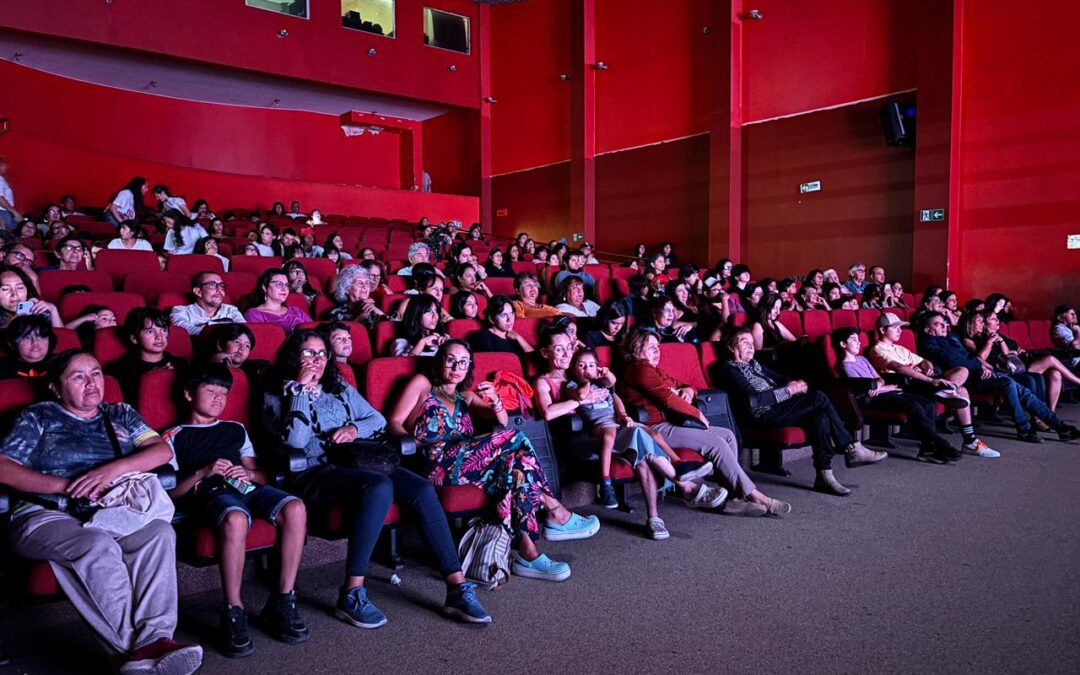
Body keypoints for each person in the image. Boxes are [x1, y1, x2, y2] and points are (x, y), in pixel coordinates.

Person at [264, 331, 490, 627]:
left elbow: (378, 421)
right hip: (314, 471)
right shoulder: (277, 392)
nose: (316, 361)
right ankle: (351, 592)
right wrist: (301, 391)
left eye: (322, 354)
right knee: (379, 486)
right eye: (308, 353)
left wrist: (353, 430)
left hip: (358, 460)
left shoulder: (339, 386)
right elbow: (296, 440)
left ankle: (457, 586)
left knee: (420, 488)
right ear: (295, 358)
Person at [0, 350, 203, 673]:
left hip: (112, 510)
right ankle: (136, 652)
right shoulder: (38, 416)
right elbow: (3, 467)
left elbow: (162, 450)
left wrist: (111, 472)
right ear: (56, 388)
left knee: (160, 532)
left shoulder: (119, 412)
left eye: (96, 373)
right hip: (44, 514)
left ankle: (155, 638)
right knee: (96, 544)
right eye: (78, 376)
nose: (92, 383)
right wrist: (64, 486)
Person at [388, 339, 598, 581]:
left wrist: (496, 400)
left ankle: (528, 553)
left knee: (516, 467)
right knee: (514, 439)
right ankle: (555, 511)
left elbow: (500, 420)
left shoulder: (464, 396)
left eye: (464, 362)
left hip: (468, 463)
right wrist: (411, 443)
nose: (457, 366)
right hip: (436, 462)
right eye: (451, 360)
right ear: (440, 362)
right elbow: (394, 421)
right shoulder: (422, 384)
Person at [166, 365, 309, 657]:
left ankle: (283, 599)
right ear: (188, 395)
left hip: (244, 487)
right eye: (211, 392)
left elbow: (258, 472)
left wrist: (249, 474)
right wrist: (202, 472)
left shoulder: (235, 429)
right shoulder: (174, 435)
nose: (220, 399)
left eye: (224, 393)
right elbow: (170, 492)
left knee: (295, 507)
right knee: (234, 518)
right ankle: (234, 610)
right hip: (211, 493)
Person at [537, 341, 724, 538]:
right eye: (582, 365)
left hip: (615, 426)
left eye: (591, 365)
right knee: (640, 436)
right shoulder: (568, 384)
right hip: (590, 433)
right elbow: (560, 408)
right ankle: (685, 485)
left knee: (642, 453)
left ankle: (655, 517)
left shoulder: (595, 379)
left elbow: (612, 389)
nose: (587, 369)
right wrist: (585, 388)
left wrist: (622, 412)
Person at [620, 328, 791, 515]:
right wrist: (696, 414)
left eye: (658, 347)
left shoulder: (653, 369)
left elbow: (684, 385)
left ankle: (734, 497)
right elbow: (668, 398)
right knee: (716, 443)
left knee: (727, 435)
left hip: (670, 423)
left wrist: (689, 391)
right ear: (636, 348)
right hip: (654, 427)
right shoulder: (638, 369)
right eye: (651, 347)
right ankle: (755, 495)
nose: (657, 351)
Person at [721, 328, 886, 496]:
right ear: (730, 347)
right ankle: (852, 448)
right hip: (761, 414)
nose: (751, 346)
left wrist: (794, 384)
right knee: (819, 398)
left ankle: (824, 475)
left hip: (780, 407)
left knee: (819, 416)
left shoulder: (754, 364)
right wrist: (789, 391)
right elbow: (754, 400)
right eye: (744, 342)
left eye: (752, 342)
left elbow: (780, 378)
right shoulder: (729, 370)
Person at [918, 312, 1080, 443]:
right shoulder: (929, 342)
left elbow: (970, 357)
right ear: (927, 329)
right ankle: (1025, 428)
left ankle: (1059, 426)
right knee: (1008, 383)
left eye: (944, 323)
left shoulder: (951, 337)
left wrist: (980, 365)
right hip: (965, 380)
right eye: (938, 324)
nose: (944, 326)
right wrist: (979, 366)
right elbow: (953, 361)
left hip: (977, 374)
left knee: (1022, 390)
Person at [867, 313, 996, 457]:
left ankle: (950, 393)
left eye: (900, 328)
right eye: (895, 328)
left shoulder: (899, 348)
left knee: (962, 376)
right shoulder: (878, 349)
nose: (900, 331)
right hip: (905, 384)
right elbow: (899, 368)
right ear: (883, 330)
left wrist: (926, 366)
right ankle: (969, 440)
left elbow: (921, 360)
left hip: (919, 380)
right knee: (961, 391)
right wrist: (928, 379)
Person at [833, 328, 963, 463]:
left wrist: (879, 385)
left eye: (859, 340)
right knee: (913, 406)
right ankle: (937, 442)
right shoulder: (845, 365)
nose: (859, 343)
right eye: (854, 340)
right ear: (843, 344)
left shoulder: (862, 359)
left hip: (885, 392)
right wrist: (885, 387)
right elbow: (863, 388)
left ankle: (927, 448)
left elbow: (878, 378)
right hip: (872, 399)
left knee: (927, 403)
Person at [975, 311, 1080, 412]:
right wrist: (1010, 349)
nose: (998, 320)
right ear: (984, 324)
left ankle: (1050, 412)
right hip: (1016, 368)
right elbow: (1005, 355)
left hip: (1022, 361)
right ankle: (1077, 381)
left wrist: (1017, 349)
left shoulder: (1000, 336)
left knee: (1055, 374)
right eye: (993, 319)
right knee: (1050, 359)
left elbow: (1012, 349)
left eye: (997, 318)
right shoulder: (986, 339)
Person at [106, 307, 189, 401]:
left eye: (164, 330)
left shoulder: (181, 365)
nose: (159, 337)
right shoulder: (118, 369)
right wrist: (151, 379)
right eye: (150, 331)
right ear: (134, 338)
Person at [170, 272, 246, 336]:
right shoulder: (180, 311)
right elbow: (185, 331)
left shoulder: (231, 309)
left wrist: (204, 326)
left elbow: (244, 330)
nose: (219, 290)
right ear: (198, 291)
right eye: (212, 285)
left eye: (221, 286)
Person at [243, 269, 311, 333]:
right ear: (264, 287)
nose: (284, 289)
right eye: (279, 284)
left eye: (286, 285)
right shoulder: (254, 314)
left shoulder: (296, 310)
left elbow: (314, 331)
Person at [470, 295, 534, 355]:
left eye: (511, 313)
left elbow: (534, 360)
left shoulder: (514, 335)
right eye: (503, 315)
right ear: (491, 319)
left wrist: (519, 338)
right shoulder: (484, 337)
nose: (510, 319)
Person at [0, 314, 57, 379]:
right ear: (11, 343)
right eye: (27, 337)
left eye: (42, 337)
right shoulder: (2, 367)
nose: (35, 342)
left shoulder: (61, 363)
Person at [0, 156, 20, 230]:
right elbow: (0, 198)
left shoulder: (2, 179)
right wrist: (14, 212)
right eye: (4, 165)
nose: (7, 167)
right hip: (3, 211)